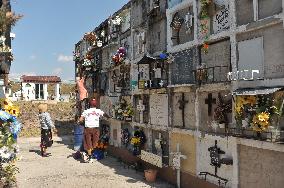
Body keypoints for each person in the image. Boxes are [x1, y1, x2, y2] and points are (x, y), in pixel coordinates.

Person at [78, 98, 109, 163]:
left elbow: (80, 119)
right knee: (95, 143)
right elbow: (105, 115)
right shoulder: (98, 111)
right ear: (96, 105)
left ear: (90, 105)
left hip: (88, 129)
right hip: (96, 129)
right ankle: (90, 155)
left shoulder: (86, 111)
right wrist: (108, 117)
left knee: (88, 143)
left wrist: (80, 122)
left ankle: (90, 156)